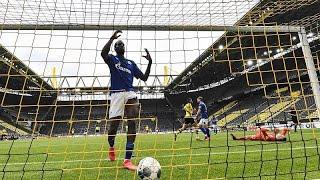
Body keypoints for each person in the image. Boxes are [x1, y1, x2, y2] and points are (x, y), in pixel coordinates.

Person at [101, 30, 152, 171]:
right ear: (115, 48)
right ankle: (111, 147)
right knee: (113, 129)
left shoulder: (131, 63)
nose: (120, 44)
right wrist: (112, 38)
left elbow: (145, 77)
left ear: (124, 48)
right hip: (116, 95)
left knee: (132, 122)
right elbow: (103, 54)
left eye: (121, 43)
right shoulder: (112, 59)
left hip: (130, 93)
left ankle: (127, 160)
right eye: (118, 43)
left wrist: (150, 63)